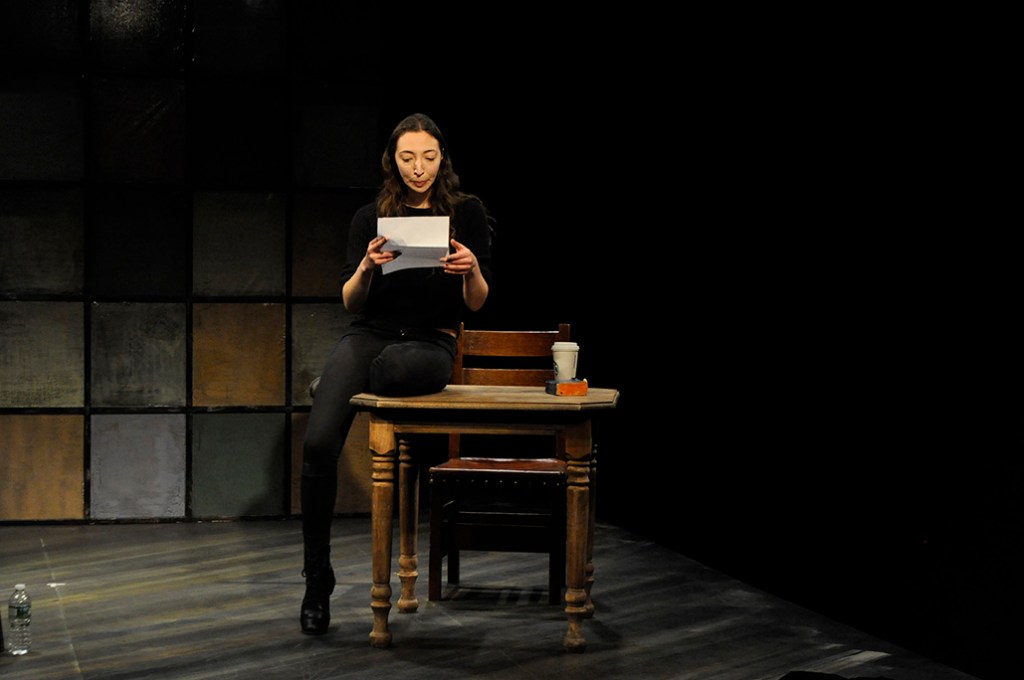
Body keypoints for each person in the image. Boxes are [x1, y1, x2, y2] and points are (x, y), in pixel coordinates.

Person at [299, 112, 493, 635]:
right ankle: (317, 579)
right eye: (407, 157)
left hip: (432, 343)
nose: (418, 168)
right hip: (372, 334)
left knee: (394, 368)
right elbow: (348, 301)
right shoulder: (371, 216)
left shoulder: (466, 213)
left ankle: (343, 388)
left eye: (428, 157)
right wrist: (366, 266)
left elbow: (476, 303)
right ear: (393, 160)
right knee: (318, 443)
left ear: (442, 159)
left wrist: (471, 269)